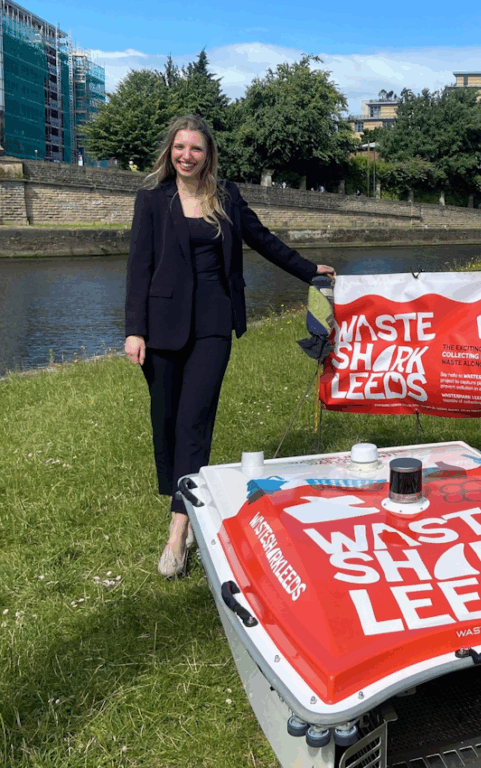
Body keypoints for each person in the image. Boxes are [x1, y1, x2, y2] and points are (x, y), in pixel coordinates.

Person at [124, 115, 334, 578]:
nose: (186, 156)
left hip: (214, 324)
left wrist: (311, 272)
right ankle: (186, 498)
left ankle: (178, 533)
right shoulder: (152, 201)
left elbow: (264, 241)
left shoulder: (227, 198)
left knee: (195, 424)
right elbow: (139, 267)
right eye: (180, 147)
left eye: (195, 148)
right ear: (170, 151)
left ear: (208, 155)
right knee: (168, 422)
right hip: (161, 326)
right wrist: (133, 329)